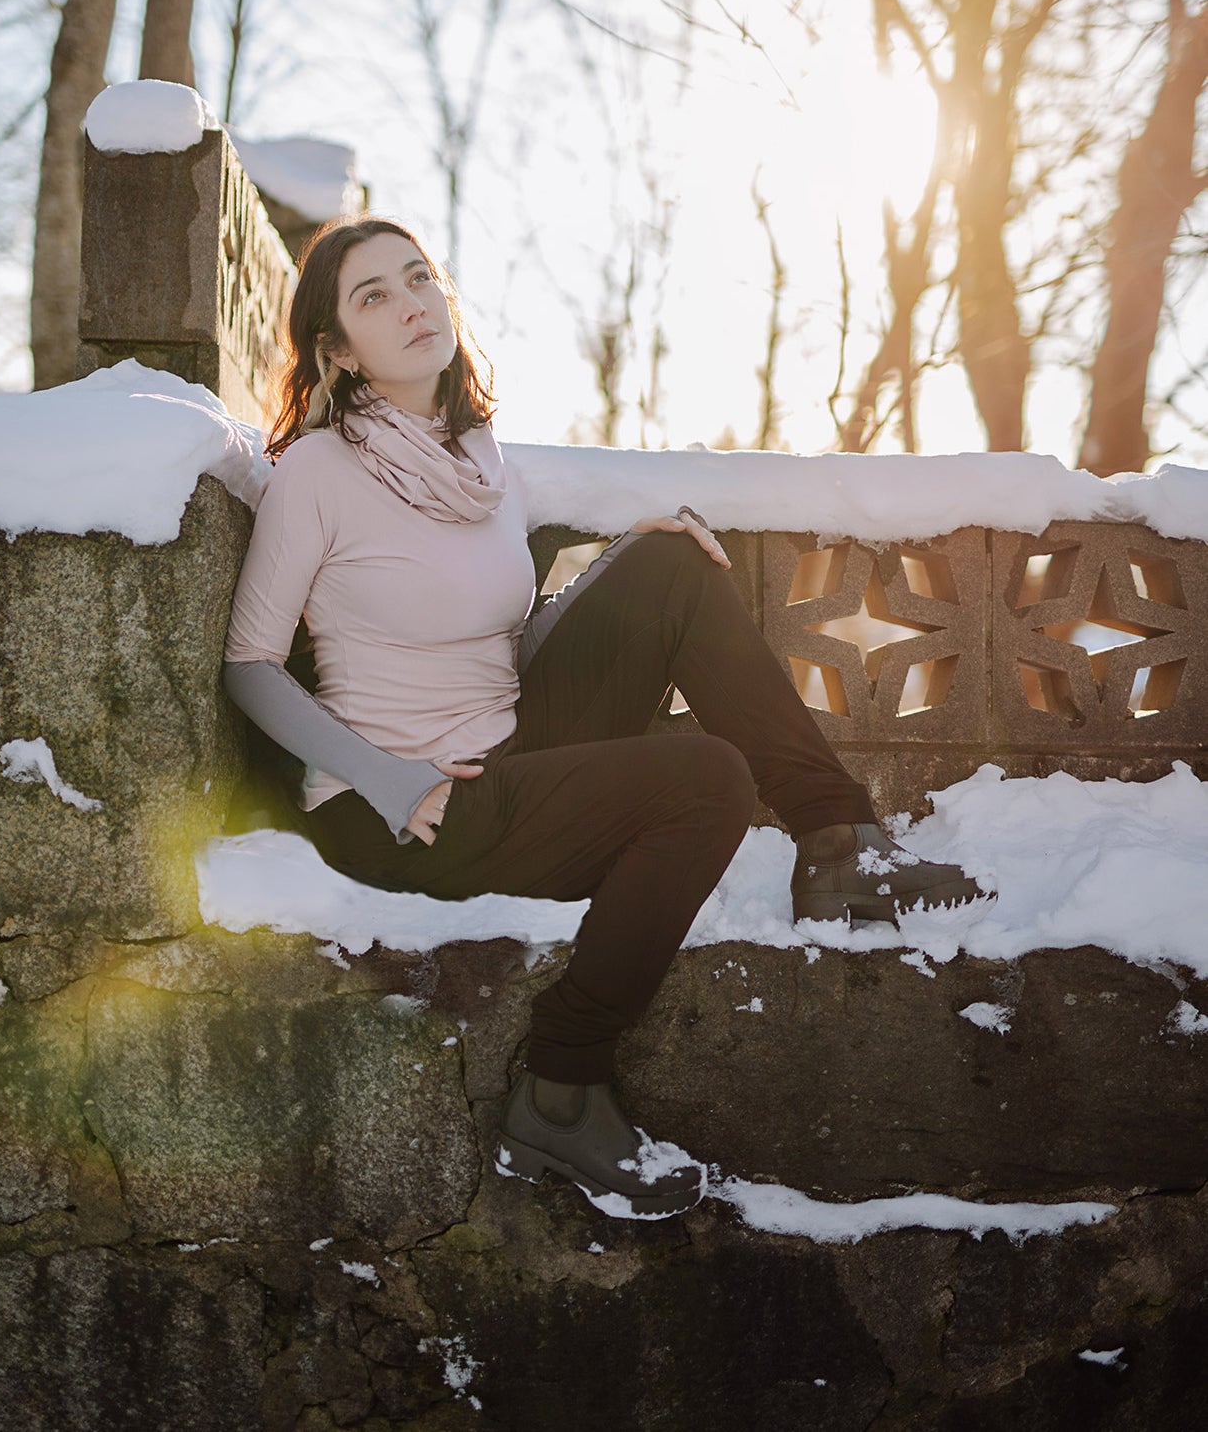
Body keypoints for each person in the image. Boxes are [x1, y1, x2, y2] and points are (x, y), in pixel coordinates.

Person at [222, 217, 993, 1220]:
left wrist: (627, 565)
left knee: (674, 561)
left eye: (419, 277)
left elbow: (494, 640)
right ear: (336, 349)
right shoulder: (320, 471)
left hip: (502, 751)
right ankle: (561, 1084)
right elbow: (249, 667)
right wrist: (385, 776)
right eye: (373, 296)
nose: (412, 302)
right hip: (407, 808)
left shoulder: (481, 462)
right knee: (706, 779)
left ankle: (839, 841)